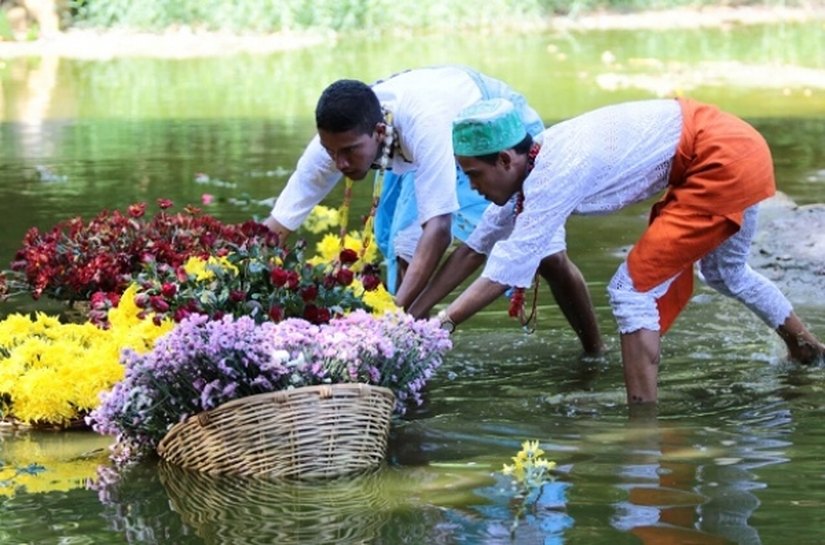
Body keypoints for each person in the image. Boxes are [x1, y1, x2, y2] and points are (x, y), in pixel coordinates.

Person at [412, 96, 825, 404]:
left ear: (504, 160)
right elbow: (474, 248)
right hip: (738, 142)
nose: (471, 188)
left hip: (721, 157)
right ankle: (807, 350)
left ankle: (641, 423)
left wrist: (442, 324)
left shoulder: (555, 173)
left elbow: (506, 268)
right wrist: (412, 315)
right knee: (726, 273)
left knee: (631, 290)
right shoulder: (532, 164)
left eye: (473, 175)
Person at [262, 65, 603, 355]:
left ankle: (594, 353)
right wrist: (228, 277)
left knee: (546, 254)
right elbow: (277, 226)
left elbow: (438, 229)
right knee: (405, 255)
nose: (340, 163)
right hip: (422, 154)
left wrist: (393, 312)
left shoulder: (423, 123)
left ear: (378, 132)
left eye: (349, 152)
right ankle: (408, 368)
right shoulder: (337, 143)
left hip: (489, 131)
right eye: (331, 152)